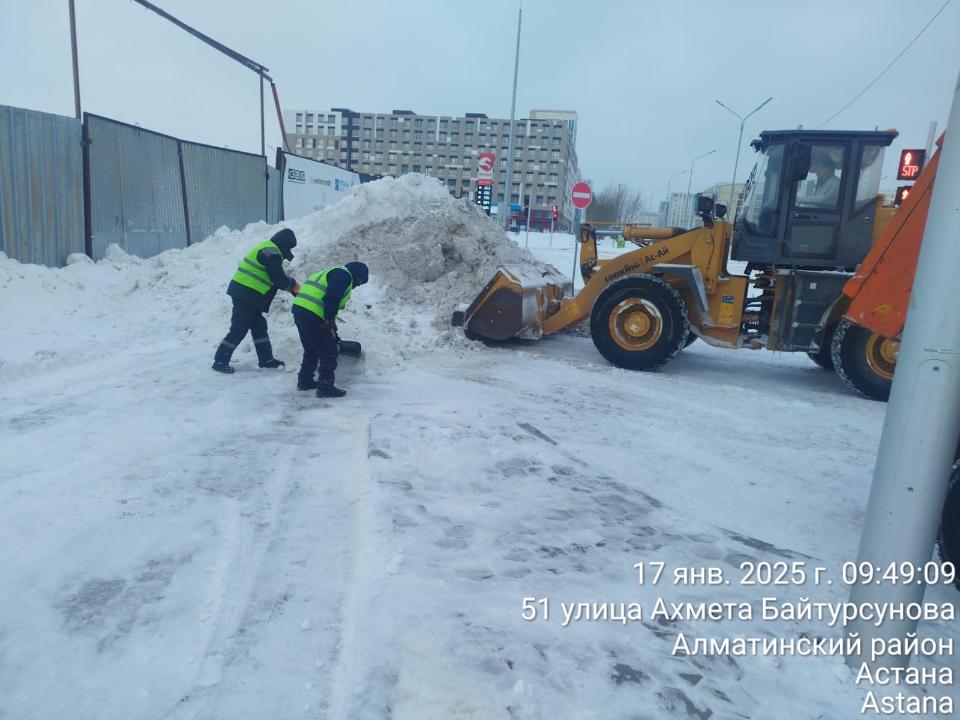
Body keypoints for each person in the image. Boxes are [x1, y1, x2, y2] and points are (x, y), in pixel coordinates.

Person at [212, 228, 301, 374]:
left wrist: (291, 287)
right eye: (289, 247)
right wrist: (293, 285)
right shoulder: (272, 253)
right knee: (239, 328)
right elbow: (277, 278)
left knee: (259, 326)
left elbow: (276, 277)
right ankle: (220, 360)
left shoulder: (269, 248)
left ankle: (266, 359)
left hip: (248, 294)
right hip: (245, 294)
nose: (288, 251)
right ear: (284, 244)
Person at [292, 261, 369, 397]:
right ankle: (325, 387)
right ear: (357, 276)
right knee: (329, 350)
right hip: (312, 313)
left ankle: (305, 381)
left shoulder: (332, 271)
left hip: (300, 310)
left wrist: (330, 320)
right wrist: (329, 318)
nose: (357, 286)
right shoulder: (344, 275)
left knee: (311, 348)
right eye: (360, 282)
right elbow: (332, 296)